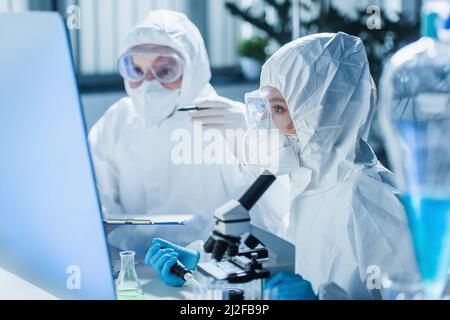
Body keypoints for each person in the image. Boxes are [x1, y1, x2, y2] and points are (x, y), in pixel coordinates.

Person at [145, 32, 417, 300]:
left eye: (278, 109)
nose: (269, 125)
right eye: (265, 108)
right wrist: (201, 260)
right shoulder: (307, 183)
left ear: (324, 110)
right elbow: (283, 258)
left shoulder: (370, 201)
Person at [88, 10, 252, 254]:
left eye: (165, 71)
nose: (148, 84)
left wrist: (254, 142)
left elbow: (264, 214)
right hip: (132, 263)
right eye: (136, 70)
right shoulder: (118, 119)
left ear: (193, 68)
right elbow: (94, 194)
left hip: (211, 266)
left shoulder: (231, 121)